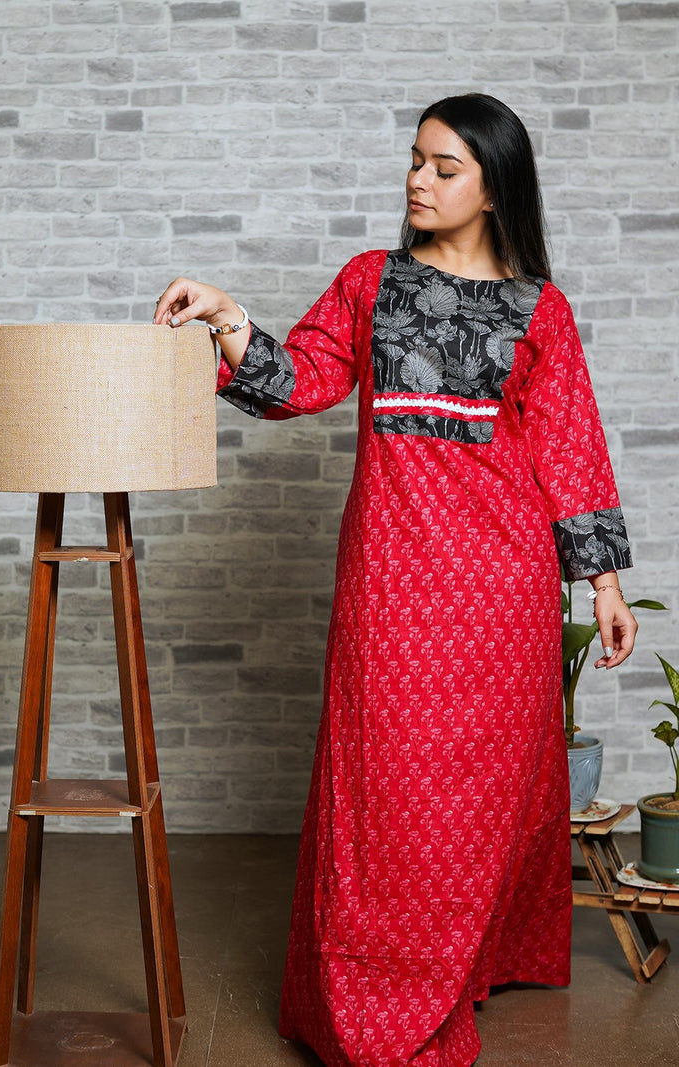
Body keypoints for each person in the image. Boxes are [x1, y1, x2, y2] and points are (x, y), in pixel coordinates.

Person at [155, 93, 638, 1067]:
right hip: (391, 580)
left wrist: (602, 584)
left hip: (503, 586)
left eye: (444, 167)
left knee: (484, 788)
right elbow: (296, 383)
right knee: (389, 786)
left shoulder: (539, 308)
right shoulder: (370, 282)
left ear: (494, 187)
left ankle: (463, 963)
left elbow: (568, 445)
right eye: (415, 160)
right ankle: (379, 989)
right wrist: (227, 312)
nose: (418, 179)